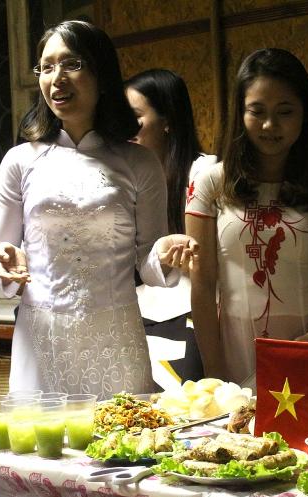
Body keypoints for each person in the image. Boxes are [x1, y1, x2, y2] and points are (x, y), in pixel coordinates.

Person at [0, 21, 197, 400]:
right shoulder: (20, 161)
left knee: (123, 435)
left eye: (71, 64)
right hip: (42, 337)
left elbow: (147, 262)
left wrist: (163, 253)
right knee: (43, 437)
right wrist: (4, 261)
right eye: (46, 67)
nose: (57, 78)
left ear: (102, 73)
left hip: (115, 339)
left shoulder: (139, 162)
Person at [186, 48, 308, 393]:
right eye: (257, 111)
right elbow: (202, 286)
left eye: (285, 112)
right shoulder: (210, 183)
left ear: (305, 114)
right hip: (234, 348)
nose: (269, 125)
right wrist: (214, 371)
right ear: (240, 113)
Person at [125, 69, 216, 383]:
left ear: (167, 121)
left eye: (135, 118)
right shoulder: (125, 177)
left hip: (194, 312)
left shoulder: (204, 172)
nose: (125, 129)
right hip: (139, 311)